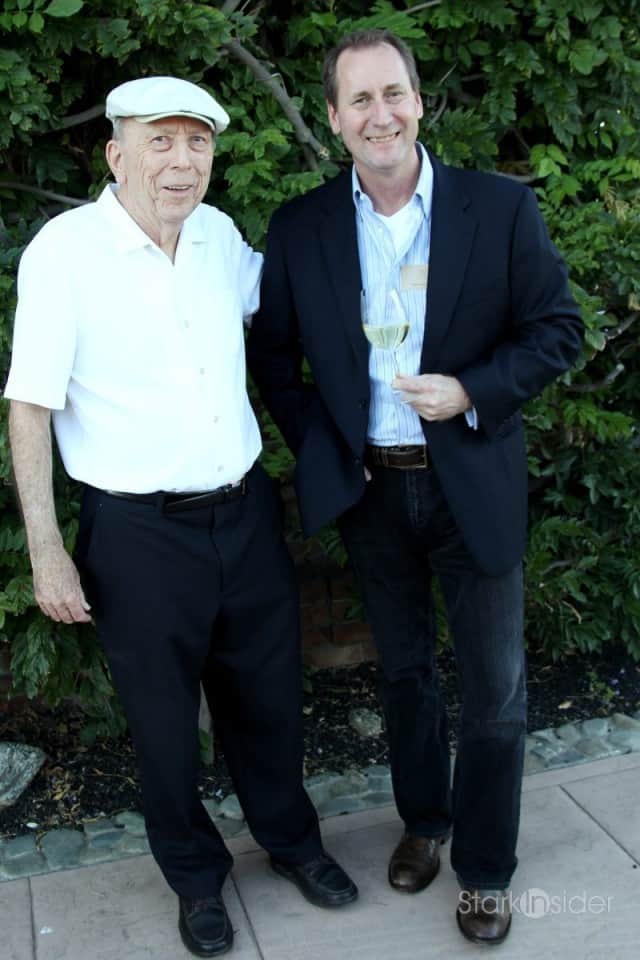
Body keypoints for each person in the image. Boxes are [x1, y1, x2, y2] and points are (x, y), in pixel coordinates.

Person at [5, 76, 357, 959]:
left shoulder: (218, 236)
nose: (181, 161)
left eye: (196, 142)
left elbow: (286, 306)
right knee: (163, 726)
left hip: (242, 516)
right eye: (159, 142)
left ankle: (292, 845)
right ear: (117, 154)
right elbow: (29, 406)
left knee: (270, 701)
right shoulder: (65, 251)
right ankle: (196, 882)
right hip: (137, 535)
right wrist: (47, 550)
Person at [247, 30, 584, 946]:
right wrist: (328, 440)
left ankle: (484, 869)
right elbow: (273, 357)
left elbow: (558, 329)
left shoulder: (498, 211)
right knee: (402, 679)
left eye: (392, 93)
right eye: (358, 100)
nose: (379, 114)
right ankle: (425, 824)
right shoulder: (301, 226)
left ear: (419, 101)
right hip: (374, 494)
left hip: (469, 480)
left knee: (496, 693)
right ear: (332, 119)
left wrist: (474, 390)